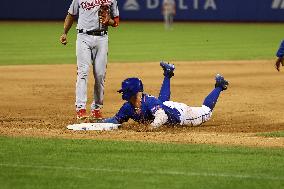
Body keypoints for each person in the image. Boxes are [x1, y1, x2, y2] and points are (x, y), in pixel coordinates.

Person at [99, 62, 229, 129]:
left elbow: (161, 117)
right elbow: (116, 120)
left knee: (206, 112)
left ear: (133, 92)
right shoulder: (127, 107)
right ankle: (168, 73)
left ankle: (219, 86)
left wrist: (150, 128)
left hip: (181, 115)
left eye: (125, 91)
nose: (123, 93)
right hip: (164, 105)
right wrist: (100, 123)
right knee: (161, 101)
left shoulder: (149, 102)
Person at [60, 0, 119, 120]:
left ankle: (97, 109)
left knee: (100, 74)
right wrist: (64, 33)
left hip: (102, 38)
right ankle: (80, 108)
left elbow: (116, 22)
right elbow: (71, 15)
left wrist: (110, 21)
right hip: (83, 37)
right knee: (83, 72)